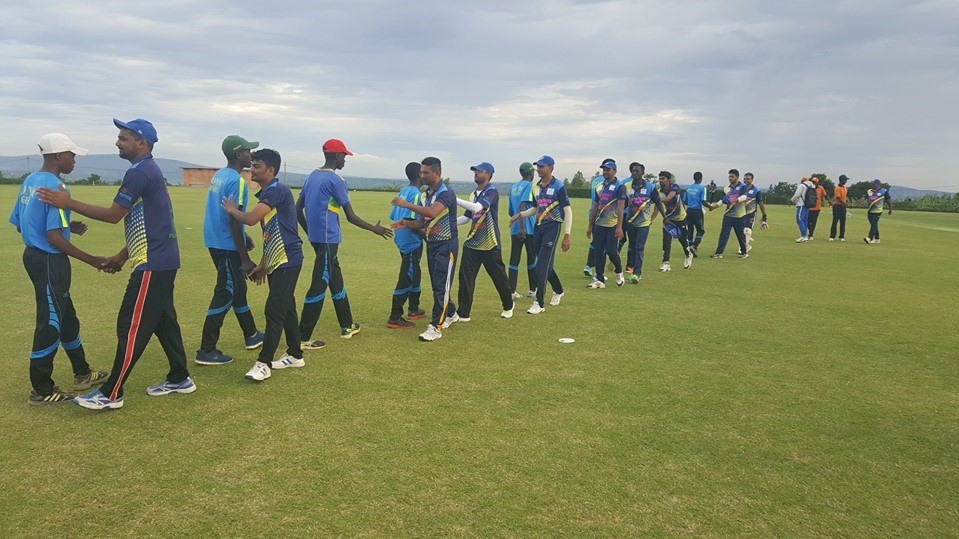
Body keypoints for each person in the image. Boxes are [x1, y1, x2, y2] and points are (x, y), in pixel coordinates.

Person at [39, 118, 194, 410]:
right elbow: (154, 222)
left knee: (130, 325)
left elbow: (113, 215)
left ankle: (111, 393)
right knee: (163, 321)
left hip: (153, 263)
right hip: (158, 259)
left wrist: (66, 202)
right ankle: (180, 377)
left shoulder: (140, 172)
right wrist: (122, 256)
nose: (117, 142)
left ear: (141, 143)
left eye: (123, 138)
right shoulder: (147, 170)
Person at [10, 133, 108, 405]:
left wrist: (68, 226)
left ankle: (82, 372)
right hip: (50, 259)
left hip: (33, 256)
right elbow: (53, 238)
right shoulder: (57, 187)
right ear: (57, 156)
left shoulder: (30, 180)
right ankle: (41, 389)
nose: (74, 160)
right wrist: (91, 259)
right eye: (71, 154)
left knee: (65, 314)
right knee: (50, 319)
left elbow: (22, 223)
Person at [296, 138, 392, 348]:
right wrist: (374, 229)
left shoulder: (311, 176)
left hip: (317, 239)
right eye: (345, 156)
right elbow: (350, 216)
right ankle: (302, 338)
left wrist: (310, 232)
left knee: (334, 278)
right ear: (337, 156)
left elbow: (297, 210)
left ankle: (347, 325)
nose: (345, 160)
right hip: (329, 239)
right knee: (318, 285)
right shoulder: (336, 180)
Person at [222, 149, 305, 381]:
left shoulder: (277, 191)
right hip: (278, 259)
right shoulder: (268, 193)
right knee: (286, 307)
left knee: (274, 310)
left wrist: (232, 210)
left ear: (270, 171)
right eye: (252, 166)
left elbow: (250, 219)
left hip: (288, 259)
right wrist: (263, 264)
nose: (252, 170)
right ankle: (296, 354)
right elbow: (271, 234)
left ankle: (263, 363)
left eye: (256, 166)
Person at [196, 135, 264, 366]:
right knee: (225, 291)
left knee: (237, 289)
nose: (251, 155)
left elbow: (227, 214)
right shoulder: (237, 180)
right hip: (226, 244)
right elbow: (235, 219)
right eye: (247, 151)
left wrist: (244, 237)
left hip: (216, 240)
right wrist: (244, 257)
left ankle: (252, 334)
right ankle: (206, 349)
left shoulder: (220, 175)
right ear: (238, 155)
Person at [391, 157, 459, 342]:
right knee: (439, 284)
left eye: (426, 173)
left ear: (437, 173)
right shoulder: (427, 194)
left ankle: (435, 327)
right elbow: (422, 222)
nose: (422, 176)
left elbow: (431, 212)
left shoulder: (446, 193)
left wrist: (406, 205)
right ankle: (451, 313)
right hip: (433, 244)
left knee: (440, 286)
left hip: (447, 244)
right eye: (421, 172)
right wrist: (406, 223)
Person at [508, 155, 571, 314]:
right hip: (538, 227)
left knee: (542, 265)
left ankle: (539, 303)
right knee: (544, 263)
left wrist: (567, 234)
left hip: (553, 227)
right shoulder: (535, 186)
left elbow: (567, 211)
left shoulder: (559, 186)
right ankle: (558, 289)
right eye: (538, 166)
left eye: (542, 166)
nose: (538, 169)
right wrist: (520, 215)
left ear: (551, 168)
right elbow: (536, 209)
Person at [453, 162, 515, 319]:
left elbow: (477, 208)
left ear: (488, 174)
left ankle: (508, 305)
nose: (476, 173)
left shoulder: (492, 191)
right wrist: (448, 223)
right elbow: (467, 217)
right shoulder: (473, 194)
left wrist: (453, 199)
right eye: (475, 171)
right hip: (472, 241)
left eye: (479, 171)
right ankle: (463, 313)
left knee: (498, 277)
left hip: (490, 243)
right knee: (465, 277)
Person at [387, 162, 426, 329]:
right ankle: (395, 317)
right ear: (419, 175)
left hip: (402, 240)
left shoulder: (403, 191)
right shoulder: (416, 193)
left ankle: (414, 308)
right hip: (410, 241)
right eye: (423, 172)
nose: (425, 175)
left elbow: (394, 215)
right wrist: (427, 236)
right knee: (407, 276)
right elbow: (411, 220)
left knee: (415, 272)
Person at [623, 162, 668, 283]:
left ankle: (637, 274)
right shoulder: (627, 186)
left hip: (644, 222)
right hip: (630, 221)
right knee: (632, 246)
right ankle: (631, 270)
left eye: (637, 171)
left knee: (639, 247)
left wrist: (665, 217)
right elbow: (624, 204)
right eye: (633, 171)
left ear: (643, 173)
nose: (635, 173)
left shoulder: (650, 187)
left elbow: (658, 202)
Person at [586, 160, 626, 288]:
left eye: (608, 169)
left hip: (613, 224)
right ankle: (600, 279)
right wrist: (590, 226)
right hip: (599, 224)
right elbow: (595, 206)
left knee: (611, 251)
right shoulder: (600, 187)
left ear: (615, 171)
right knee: (598, 252)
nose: (605, 172)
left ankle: (619, 271)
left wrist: (619, 227)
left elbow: (621, 208)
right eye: (604, 169)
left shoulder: (620, 187)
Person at [507, 162, 537, 300]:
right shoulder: (530, 186)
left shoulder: (513, 187)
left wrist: (516, 226)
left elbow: (511, 211)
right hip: (527, 228)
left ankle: (511, 291)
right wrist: (522, 227)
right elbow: (522, 205)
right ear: (531, 173)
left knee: (514, 259)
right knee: (532, 258)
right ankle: (533, 289)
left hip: (514, 228)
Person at [709, 169, 750, 259]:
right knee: (724, 234)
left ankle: (744, 252)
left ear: (737, 177)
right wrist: (714, 206)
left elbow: (744, 196)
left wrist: (735, 200)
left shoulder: (743, 187)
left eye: (732, 176)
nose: (730, 178)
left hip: (739, 215)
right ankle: (719, 253)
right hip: (728, 215)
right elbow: (723, 200)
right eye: (729, 177)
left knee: (740, 234)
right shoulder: (727, 188)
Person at [657, 171, 693, 271]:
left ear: (668, 180)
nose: (661, 181)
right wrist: (653, 219)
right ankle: (666, 263)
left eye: (663, 179)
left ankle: (688, 255)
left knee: (683, 240)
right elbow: (657, 208)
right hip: (668, 220)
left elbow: (668, 198)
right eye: (659, 179)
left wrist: (655, 199)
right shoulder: (659, 192)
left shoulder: (675, 187)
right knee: (666, 241)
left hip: (681, 218)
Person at [582, 162, 608, 278]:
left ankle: (588, 266)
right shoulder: (606, 183)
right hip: (604, 216)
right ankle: (598, 273)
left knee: (595, 243)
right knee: (602, 246)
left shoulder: (595, 180)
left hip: (592, 214)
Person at [741, 172, 768, 253]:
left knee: (747, 230)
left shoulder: (756, 190)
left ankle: (744, 247)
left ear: (752, 180)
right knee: (741, 231)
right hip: (741, 213)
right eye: (745, 178)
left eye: (748, 179)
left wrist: (764, 215)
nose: (746, 180)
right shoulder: (741, 189)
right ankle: (747, 244)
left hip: (751, 213)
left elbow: (760, 203)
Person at [683, 171, 708, 256]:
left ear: (693, 178)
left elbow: (684, 201)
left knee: (690, 230)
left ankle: (690, 250)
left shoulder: (688, 188)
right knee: (701, 230)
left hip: (689, 211)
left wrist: (691, 203)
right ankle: (694, 246)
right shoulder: (702, 188)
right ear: (701, 179)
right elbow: (703, 201)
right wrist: (711, 207)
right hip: (697, 211)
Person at [863, 179, 892, 244]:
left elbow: (888, 200)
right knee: (874, 224)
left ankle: (869, 238)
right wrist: (855, 204)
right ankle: (877, 239)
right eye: (872, 184)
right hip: (870, 211)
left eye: (874, 184)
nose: (872, 185)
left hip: (878, 211)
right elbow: (864, 198)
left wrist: (890, 209)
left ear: (878, 185)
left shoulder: (883, 191)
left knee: (873, 224)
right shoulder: (869, 191)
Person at [790, 176, 816, 243]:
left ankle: (803, 236)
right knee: (805, 220)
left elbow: (797, 194)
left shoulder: (802, 186)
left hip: (801, 204)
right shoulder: (812, 186)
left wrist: (792, 200)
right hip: (808, 204)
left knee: (799, 219)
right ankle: (805, 236)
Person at [830, 174, 849, 241]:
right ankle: (832, 236)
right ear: (841, 180)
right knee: (835, 221)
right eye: (845, 180)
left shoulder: (845, 188)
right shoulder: (837, 188)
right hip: (837, 206)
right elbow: (838, 198)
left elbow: (844, 197)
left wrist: (845, 203)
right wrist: (845, 204)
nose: (846, 181)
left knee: (843, 222)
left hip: (843, 207)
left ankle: (841, 236)